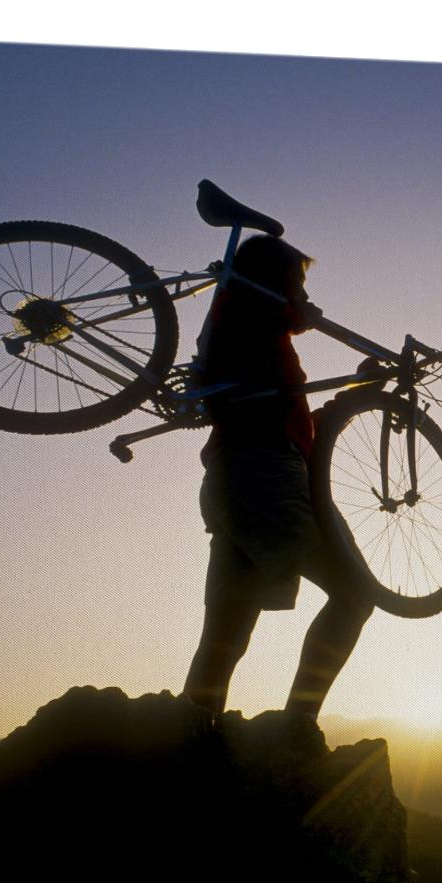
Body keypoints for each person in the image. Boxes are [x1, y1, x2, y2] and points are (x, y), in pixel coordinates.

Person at [181, 232, 374, 726]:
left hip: (240, 479)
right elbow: (257, 307)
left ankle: (190, 739)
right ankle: (296, 727)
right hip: (264, 474)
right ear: (268, 283)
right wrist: (296, 313)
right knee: (355, 592)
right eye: (296, 284)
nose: (305, 296)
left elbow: (302, 431)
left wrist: (358, 392)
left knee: (226, 636)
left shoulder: (261, 342)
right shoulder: (245, 313)